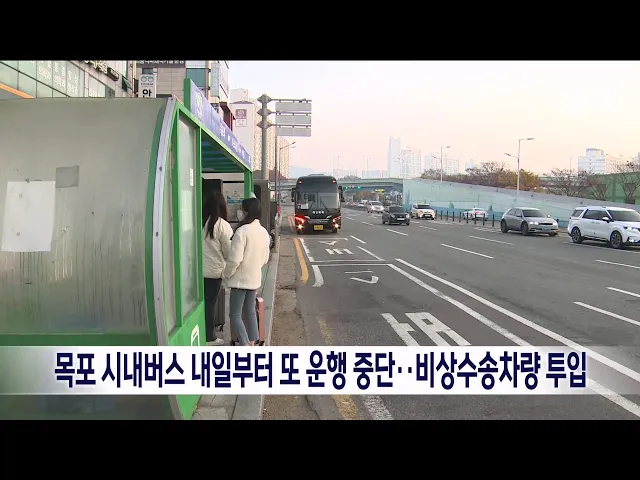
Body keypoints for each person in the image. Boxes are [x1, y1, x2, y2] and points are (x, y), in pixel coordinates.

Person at [223, 197, 270, 346]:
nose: (240, 212)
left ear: (246, 211)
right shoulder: (263, 232)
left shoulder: (242, 231)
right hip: (254, 278)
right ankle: (252, 342)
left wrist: (226, 274)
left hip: (239, 281)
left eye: (241, 209)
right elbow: (265, 259)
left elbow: (235, 259)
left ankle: (245, 344)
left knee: (235, 315)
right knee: (250, 312)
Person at [202, 192, 233, 346]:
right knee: (210, 305)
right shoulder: (222, 225)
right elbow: (229, 252)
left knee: (201, 304)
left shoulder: (201, 222)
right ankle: (209, 337)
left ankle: (202, 332)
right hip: (214, 273)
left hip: (197, 272)